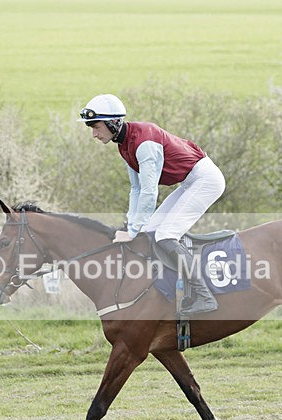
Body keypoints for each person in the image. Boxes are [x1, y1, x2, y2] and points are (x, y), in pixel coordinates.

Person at [78, 93, 226, 315]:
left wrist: (133, 229)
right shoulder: (124, 144)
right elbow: (135, 189)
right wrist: (132, 225)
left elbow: (149, 191)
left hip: (206, 180)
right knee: (150, 231)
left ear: (112, 123)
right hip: (190, 180)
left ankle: (205, 296)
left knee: (166, 235)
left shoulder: (143, 143)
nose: (94, 134)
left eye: (96, 127)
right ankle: (168, 290)